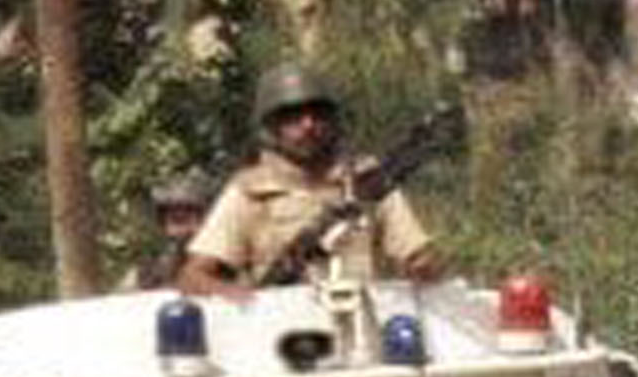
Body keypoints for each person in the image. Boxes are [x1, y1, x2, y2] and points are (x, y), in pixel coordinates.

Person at [179, 66, 440, 294]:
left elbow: (419, 255)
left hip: (363, 321)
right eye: (293, 117)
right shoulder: (251, 190)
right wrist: (241, 299)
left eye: (318, 114)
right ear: (272, 128)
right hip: (282, 327)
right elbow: (194, 276)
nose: (308, 125)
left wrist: (422, 268)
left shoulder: (367, 183)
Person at [123, 173, 219, 294]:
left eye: (188, 213)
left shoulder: (225, 264)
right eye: (175, 219)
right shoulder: (147, 270)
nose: (182, 229)